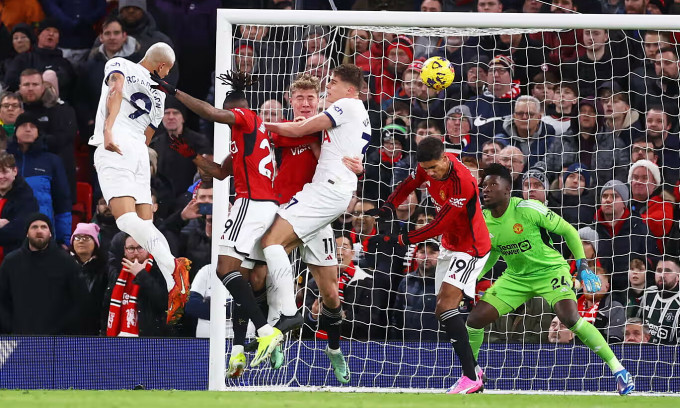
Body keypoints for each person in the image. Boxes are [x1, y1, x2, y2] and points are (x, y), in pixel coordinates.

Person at [150, 69, 284, 368]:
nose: (224, 119)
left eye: (227, 115)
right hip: (266, 208)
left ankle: (264, 331)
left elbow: (210, 112)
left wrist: (174, 92)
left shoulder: (247, 119)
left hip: (252, 204)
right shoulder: (244, 140)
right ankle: (238, 347)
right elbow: (220, 174)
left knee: (223, 270)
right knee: (242, 278)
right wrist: (191, 154)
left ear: (233, 110)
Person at [466, 164, 635, 395]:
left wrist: (583, 266)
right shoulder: (484, 218)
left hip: (550, 272)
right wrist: (472, 278)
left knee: (570, 318)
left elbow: (568, 231)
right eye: (483, 185)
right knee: (475, 319)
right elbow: (494, 252)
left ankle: (619, 370)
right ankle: (472, 374)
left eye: (492, 184)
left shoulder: (529, 208)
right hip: (516, 277)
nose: (485, 189)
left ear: (507, 190)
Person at [368, 136, 491, 394]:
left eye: (435, 167)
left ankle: (471, 378)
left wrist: (400, 238)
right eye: (427, 169)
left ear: (445, 158)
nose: (431, 173)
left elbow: (439, 224)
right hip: (449, 245)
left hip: (472, 247)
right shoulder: (425, 168)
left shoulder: (463, 181)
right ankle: (475, 369)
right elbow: (408, 184)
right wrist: (389, 205)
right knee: (442, 312)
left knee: (447, 306)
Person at [88, 42, 189, 325]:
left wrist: (108, 130)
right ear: (161, 67)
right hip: (140, 152)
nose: (166, 76)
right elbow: (148, 134)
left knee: (125, 221)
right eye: (167, 70)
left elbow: (115, 90)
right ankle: (173, 285)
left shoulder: (120, 64)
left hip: (116, 144)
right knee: (145, 225)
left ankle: (173, 270)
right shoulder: (158, 92)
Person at [0, 214, 87, 335]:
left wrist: (64, 329)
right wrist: (10, 328)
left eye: (44, 227)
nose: (39, 230)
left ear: (50, 233)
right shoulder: (11, 262)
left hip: (57, 339)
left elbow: (79, 299)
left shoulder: (66, 261)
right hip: (18, 337)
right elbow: (3, 299)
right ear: (27, 233)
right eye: (34, 227)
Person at [6, 112, 71, 246]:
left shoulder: (52, 161)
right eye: (23, 125)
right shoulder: (5, 160)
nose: (28, 129)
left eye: (32, 126)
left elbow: (62, 201)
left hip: (42, 232)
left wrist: (63, 239)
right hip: (9, 232)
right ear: (15, 131)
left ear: (38, 132)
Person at [106, 235, 171, 337]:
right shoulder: (117, 273)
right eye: (131, 248)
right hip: (117, 337)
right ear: (125, 250)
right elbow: (106, 307)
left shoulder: (160, 270)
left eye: (140, 247)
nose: (136, 252)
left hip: (147, 337)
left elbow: (163, 302)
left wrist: (141, 274)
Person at [69, 223, 108, 335]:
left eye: (87, 237)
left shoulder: (105, 268)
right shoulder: (64, 265)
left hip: (94, 328)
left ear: (95, 243)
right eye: (78, 237)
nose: (81, 241)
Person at [0, 151, 39, 263]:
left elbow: (18, 231)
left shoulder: (27, 198)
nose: (1, 177)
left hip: (14, 263)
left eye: (4, 171)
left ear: (14, 171)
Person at [636, 257, 680, 344]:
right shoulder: (648, 293)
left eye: (667, 271)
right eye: (659, 270)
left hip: (669, 355)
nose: (662, 275)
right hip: (643, 351)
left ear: (678, 277)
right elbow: (637, 323)